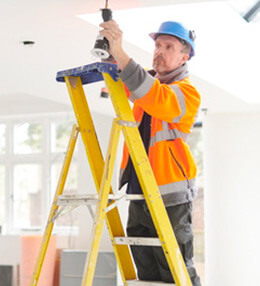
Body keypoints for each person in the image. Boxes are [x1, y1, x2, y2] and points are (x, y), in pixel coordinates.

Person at [99, 20, 201, 286]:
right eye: (157, 45)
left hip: (169, 195)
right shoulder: (147, 85)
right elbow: (126, 83)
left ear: (184, 56)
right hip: (139, 189)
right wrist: (111, 53)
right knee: (147, 273)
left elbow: (155, 96)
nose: (159, 51)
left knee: (176, 270)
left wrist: (121, 54)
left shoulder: (187, 93)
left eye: (169, 47)